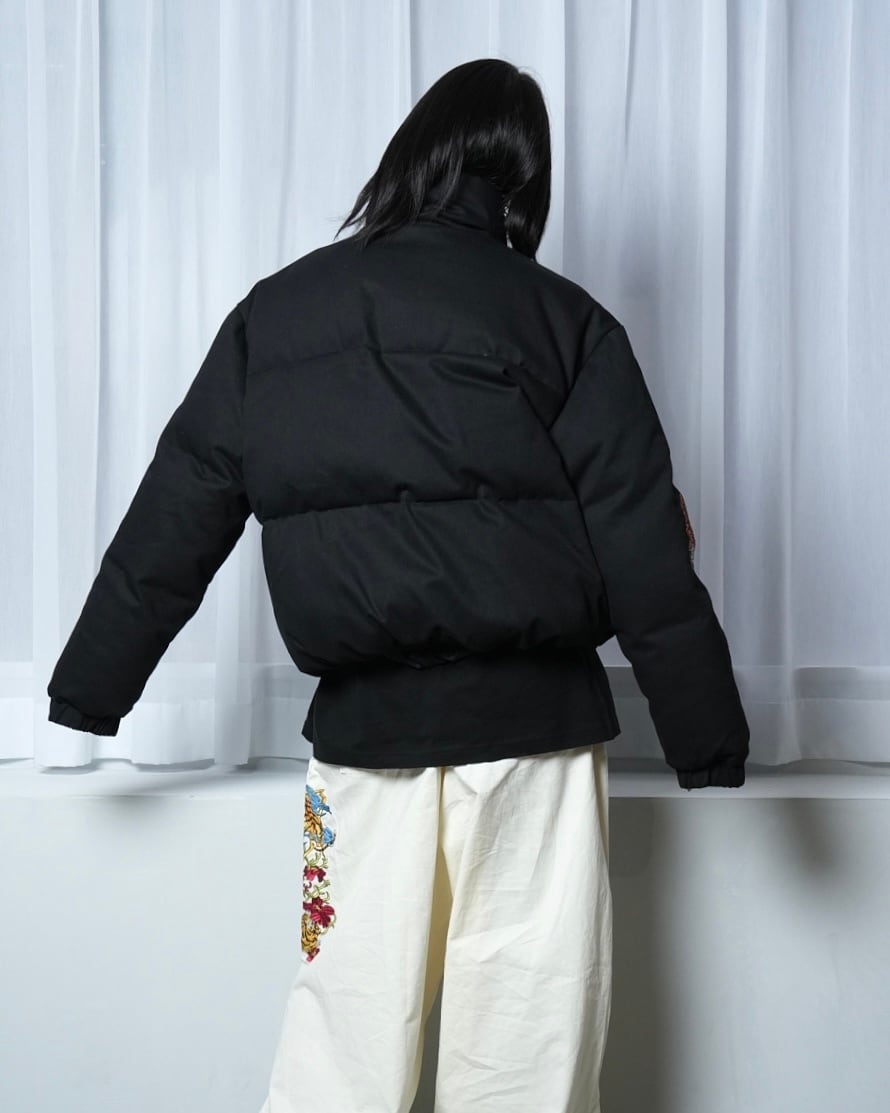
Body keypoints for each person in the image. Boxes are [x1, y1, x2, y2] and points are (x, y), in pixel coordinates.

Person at [46, 57, 749, 1113]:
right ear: (521, 179)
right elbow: (643, 542)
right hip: (534, 742)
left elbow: (174, 515)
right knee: (525, 1035)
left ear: (413, 154)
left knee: (342, 1028)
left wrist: (91, 687)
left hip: (358, 747)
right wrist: (706, 738)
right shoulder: (564, 321)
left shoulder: (277, 315)